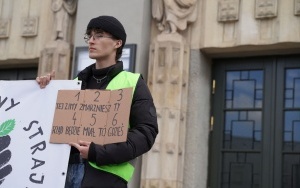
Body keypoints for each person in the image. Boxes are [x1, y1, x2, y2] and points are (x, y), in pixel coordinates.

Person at [36, 15, 158, 188]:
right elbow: (47, 126)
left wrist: (98, 152)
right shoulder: (75, 84)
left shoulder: (133, 82)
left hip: (105, 178)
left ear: (118, 43)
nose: (91, 41)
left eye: (99, 35)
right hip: (61, 175)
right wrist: (44, 91)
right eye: (90, 36)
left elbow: (146, 133)